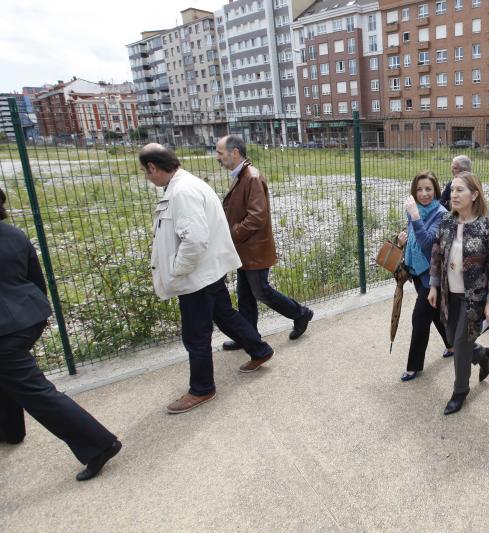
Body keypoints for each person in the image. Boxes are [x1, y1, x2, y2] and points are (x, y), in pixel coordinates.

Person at [141, 143, 274, 413]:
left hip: (196, 277)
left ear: (153, 167)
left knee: (196, 335)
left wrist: (176, 270)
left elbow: (194, 240)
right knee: (225, 315)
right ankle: (259, 350)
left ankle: (202, 389)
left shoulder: (182, 192)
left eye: (146, 171)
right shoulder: (186, 184)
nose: (147, 177)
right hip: (206, 271)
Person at [0, 188, 121, 481]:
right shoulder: (14, 234)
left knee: (36, 392)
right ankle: (11, 430)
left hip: (6, 329)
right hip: (30, 316)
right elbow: (36, 280)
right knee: (8, 375)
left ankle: (99, 445)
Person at [215, 136, 314, 355]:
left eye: (220, 153)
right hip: (245, 249)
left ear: (235, 153)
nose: (217, 157)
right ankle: (248, 337)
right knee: (245, 296)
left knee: (261, 292)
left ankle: (300, 314)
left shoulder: (251, 177)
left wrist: (232, 234)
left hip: (254, 249)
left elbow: (257, 217)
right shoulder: (242, 176)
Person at [429, 172, 489, 415]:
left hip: (474, 298)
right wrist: (433, 285)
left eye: (460, 190)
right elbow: (437, 255)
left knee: (459, 343)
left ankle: (460, 391)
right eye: (452, 190)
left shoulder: (487, 226)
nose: (453, 194)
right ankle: (480, 353)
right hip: (450, 295)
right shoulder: (446, 222)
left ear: (475, 194)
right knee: (452, 337)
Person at [396, 171, 452, 381]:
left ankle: (413, 366)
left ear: (436, 190)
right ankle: (453, 345)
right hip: (418, 272)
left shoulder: (442, 213)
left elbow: (428, 242)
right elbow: (414, 238)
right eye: (419, 189)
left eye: (428, 189)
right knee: (435, 313)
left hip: (433, 276)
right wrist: (403, 239)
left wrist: (416, 217)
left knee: (419, 319)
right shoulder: (413, 210)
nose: (424, 193)